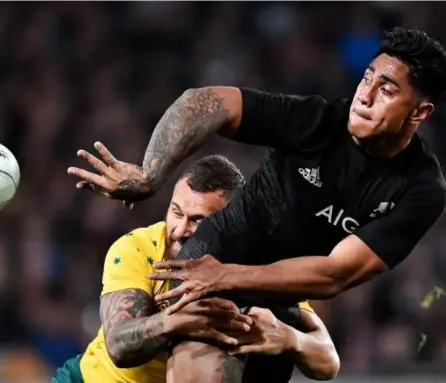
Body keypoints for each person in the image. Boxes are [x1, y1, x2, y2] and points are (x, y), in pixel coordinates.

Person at [68, 27, 446, 381]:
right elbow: (205, 101)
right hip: (213, 259)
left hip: (275, 295)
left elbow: (336, 275)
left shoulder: (421, 189)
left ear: (420, 112)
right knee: (205, 368)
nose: (364, 95)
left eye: (387, 90)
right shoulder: (317, 121)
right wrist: (152, 174)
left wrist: (238, 282)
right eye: (367, 77)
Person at [55, 155, 339, 383]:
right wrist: (177, 320)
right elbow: (119, 345)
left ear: (232, 224)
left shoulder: (254, 267)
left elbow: (328, 361)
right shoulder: (139, 248)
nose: (179, 230)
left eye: (198, 221)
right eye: (176, 212)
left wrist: (290, 339)